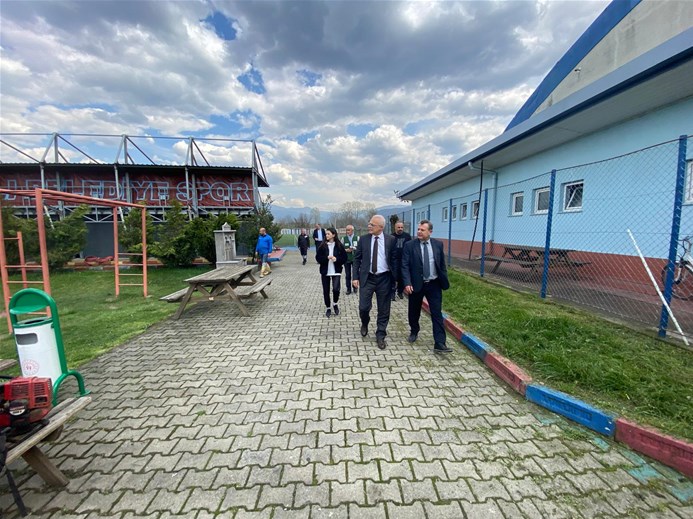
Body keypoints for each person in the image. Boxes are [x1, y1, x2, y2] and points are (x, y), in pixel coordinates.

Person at [402, 219, 451, 353]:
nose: (419, 232)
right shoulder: (410, 245)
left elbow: (441, 264)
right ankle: (414, 330)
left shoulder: (438, 245)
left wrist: (443, 277)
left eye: (422, 230)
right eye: (418, 229)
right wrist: (407, 282)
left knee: (436, 313)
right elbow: (404, 265)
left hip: (434, 284)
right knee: (414, 311)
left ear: (430, 232)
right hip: (416, 284)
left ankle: (439, 343)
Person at [353, 214, 397, 350]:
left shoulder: (391, 240)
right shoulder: (364, 239)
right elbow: (357, 259)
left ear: (381, 227)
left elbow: (394, 259)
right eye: (369, 223)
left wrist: (396, 278)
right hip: (368, 278)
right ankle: (365, 322)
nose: (369, 226)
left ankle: (380, 335)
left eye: (372, 225)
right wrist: (355, 277)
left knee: (384, 309)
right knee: (363, 307)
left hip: (384, 278)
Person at [315, 227, 348, 318]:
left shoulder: (339, 245)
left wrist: (336, 259)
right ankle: (328, 307)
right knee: (326, 291)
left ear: (333, 235)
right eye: (326, 234)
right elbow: (318, 258)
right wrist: (326, 258)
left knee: (336, 289)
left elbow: (344, 258)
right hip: (325, 271)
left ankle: (335, 303)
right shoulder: (322, 246)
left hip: (336, 271)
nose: (326, 235)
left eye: (328, 234)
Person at [390, 221, 412, 301]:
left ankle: (400, 292)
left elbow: (410, 247)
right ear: (395, 228)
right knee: (393, 277)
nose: (400, 229)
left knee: (402, 277)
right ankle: (392, 293)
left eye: (401, 227)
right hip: (394, 260)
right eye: (398, 227)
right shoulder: (391, 237)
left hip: (404, 260)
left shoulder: (407, 236)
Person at [342, 224, 358, 295]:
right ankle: (348, 289)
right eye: (346, 230)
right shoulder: (343, 239)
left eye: (348, 230)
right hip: (347, 259)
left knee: (355, 274)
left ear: (352, 230)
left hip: (355, 259)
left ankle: (355, 287)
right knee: (348, 274)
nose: (347, 231)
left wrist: (355, 249)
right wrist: (346, 250)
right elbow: (341, 249)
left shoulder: (357, 238)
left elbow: (360, 248)